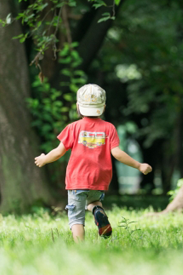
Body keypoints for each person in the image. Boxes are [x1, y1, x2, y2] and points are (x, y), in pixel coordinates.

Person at [35, 84, 152, 242]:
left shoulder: (73, 128)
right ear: (103, 107)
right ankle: (97, 209)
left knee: (76, 217)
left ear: (78, 106)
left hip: (77, 179)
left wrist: (44, 159)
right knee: (93, 200)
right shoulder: (109, 128)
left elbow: (58, 152)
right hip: (99, 178)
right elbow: (117, 153)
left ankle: (81, 247)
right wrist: (139, 165)